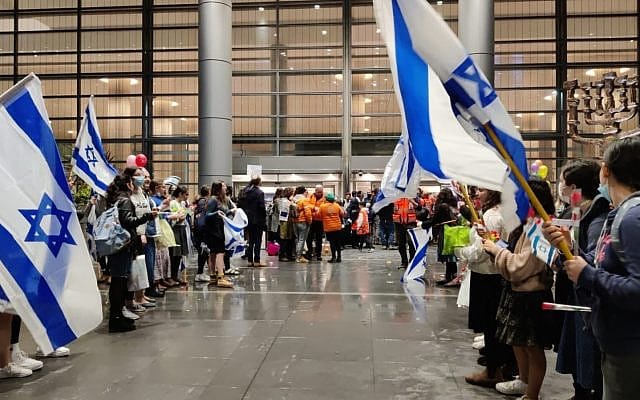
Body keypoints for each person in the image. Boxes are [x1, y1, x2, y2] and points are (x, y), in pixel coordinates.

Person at [545, 136, 640, 400]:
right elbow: (602, 261)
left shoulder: (632, 217)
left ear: (606, 170)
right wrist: (570, 251)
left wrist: (587, 275)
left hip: (629, 344)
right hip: (615, 340)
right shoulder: (620, 213)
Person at [483, 179, 556, 400]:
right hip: (519, 292)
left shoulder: (542, 229)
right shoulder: (527, 224)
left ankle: (531, 394)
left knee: (533, 348)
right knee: (519, 342)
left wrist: (497, 251)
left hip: (531, 295)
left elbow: (522, 266)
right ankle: (523, 381)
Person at [549, 160, 609, 400]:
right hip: (574, 294)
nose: (560, 187)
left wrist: (571, 253)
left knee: (588, 356)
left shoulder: (599, 218)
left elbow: (593, 262)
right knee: (577, 355)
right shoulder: (576, 211)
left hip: (588, 299)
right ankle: (580, 391)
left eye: (562, 182)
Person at [458, 189, 515, 388]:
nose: (478, 193)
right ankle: (502, 365)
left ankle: (493, 370)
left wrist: (461, 251)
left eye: (482, 189)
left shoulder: (491, 216)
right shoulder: (503, 213)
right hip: (496, 273)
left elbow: (482, 250)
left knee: (491, 325)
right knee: (495, 325)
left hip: (488, 275)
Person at [104, 172, 156, 332]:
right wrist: (147, 216)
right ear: (128, 184)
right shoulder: (125, 200)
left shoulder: (116, 199)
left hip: (117, 245)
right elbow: (127, 221)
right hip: (123, 245)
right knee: (119, 282)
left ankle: (118, 315)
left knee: (118, 281)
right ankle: (116, 317)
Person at [204, 181, 235, 288]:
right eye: (223, 186)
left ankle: (213, 276)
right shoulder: (213, 200)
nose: (225, 188)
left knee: (213, 253)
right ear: (218, 189)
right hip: (214, 231)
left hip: (217, 230)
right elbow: (206, 215)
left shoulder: (221, 200)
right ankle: (221, 277)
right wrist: (216, 213)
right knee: (220, 253)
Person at [430, 188, 459, 284]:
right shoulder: (453, 205)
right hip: (454, 231)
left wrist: (426, 224)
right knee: (451, 255)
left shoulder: (442, 206)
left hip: (445, 231)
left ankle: (449, 277)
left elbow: (435, 219)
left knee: (447, 255)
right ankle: (452, 276)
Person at [240, 176, 267, 267]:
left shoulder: (245, 192)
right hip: (258, 220)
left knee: (250, 240)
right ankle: (257, 260)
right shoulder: (260, 193)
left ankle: (249, 260)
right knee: (258, 240)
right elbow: (262, 207)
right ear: (258, 182)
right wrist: (264, 218)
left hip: (248, 220)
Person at [319, 193, 345, 263]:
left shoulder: (322, 206)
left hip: (328, 228)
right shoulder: (337, 205)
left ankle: (333, 257)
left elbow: (319, 215)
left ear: (326, 199)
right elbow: (342, 213)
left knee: (332, 242)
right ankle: (339, 257)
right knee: (338, 242)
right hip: (337, 227)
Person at [393, 197, 418, 269]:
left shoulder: (413, 196)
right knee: (401, 243)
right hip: (398, 223)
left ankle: (412, 261)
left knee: (411, 242)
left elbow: (419, 207)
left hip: (411, 222)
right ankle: (404, 262)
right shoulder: (395, 197)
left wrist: (413, 202)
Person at [292, 186, 312, 263]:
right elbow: (307, 211)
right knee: (302, 240)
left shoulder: (293, 199)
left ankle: (298, 255)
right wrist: (309, 221)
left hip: (294, 221)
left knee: (297, 239)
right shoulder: (304, 199)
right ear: (304, 192)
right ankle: (299, 257)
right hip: (303, 221)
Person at [305, 185, 326, 261]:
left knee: (319, 239)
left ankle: (318, 255)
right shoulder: (310, 196)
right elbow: (307, 205)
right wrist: (314, 208)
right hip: (311, 220)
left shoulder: (325, 197)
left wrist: (319, 209)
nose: (320, 193)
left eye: (321, 192)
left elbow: (325, 207)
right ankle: (309, 253)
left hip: (320, 221)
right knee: (309, 238)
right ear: (315, 190)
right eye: (318, 192)